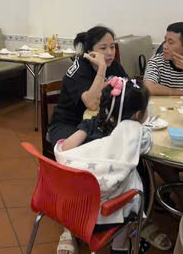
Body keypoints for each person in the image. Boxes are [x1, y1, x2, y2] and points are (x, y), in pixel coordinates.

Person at [52, 77, 151, 254]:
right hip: (107, 215)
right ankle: (119, 246)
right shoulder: (136, 136)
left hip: (74, 208)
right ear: (138, 115)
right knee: (136, 190)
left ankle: (70, 233)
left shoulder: (91, 124)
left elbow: (65, 148)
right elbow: (147, 145)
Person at [48, 26, 127, 145]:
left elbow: (128, 87)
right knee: (100, 147)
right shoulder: (79, 70)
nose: (110, 52)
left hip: (96, 120)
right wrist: (102, 68)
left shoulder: (113, 64)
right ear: (90, 52)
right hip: (68, 125)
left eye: (112, 47)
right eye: (103, 48)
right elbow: (92, 104)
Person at [143, 22, 183, 96]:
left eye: (170, 42)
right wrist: (176, 92)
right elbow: (148, 87)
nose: (164, 46)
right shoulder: (157, 61)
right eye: (165, 41)